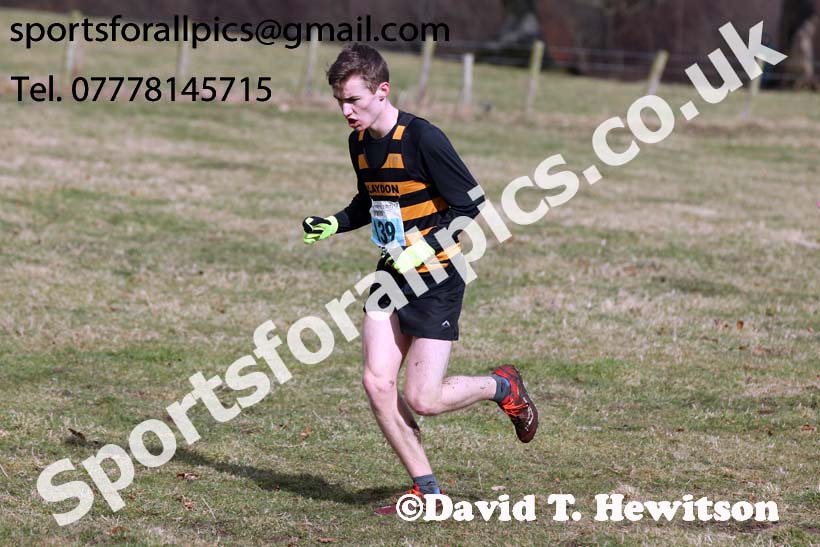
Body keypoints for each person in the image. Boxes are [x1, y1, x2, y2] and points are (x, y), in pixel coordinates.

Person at [301, 43, 538, 515]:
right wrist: (336, 222)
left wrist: (424, 248)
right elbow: (371, 201)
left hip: (438, 277)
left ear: (382, 90)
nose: (347, 111)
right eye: (340, 102)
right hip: (391, 276)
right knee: (376, 383)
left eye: (355, 100)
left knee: (423, 398)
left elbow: (471, 204)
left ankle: (502, 387)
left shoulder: (424, 138)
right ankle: (428, 493)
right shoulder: (360, 142)